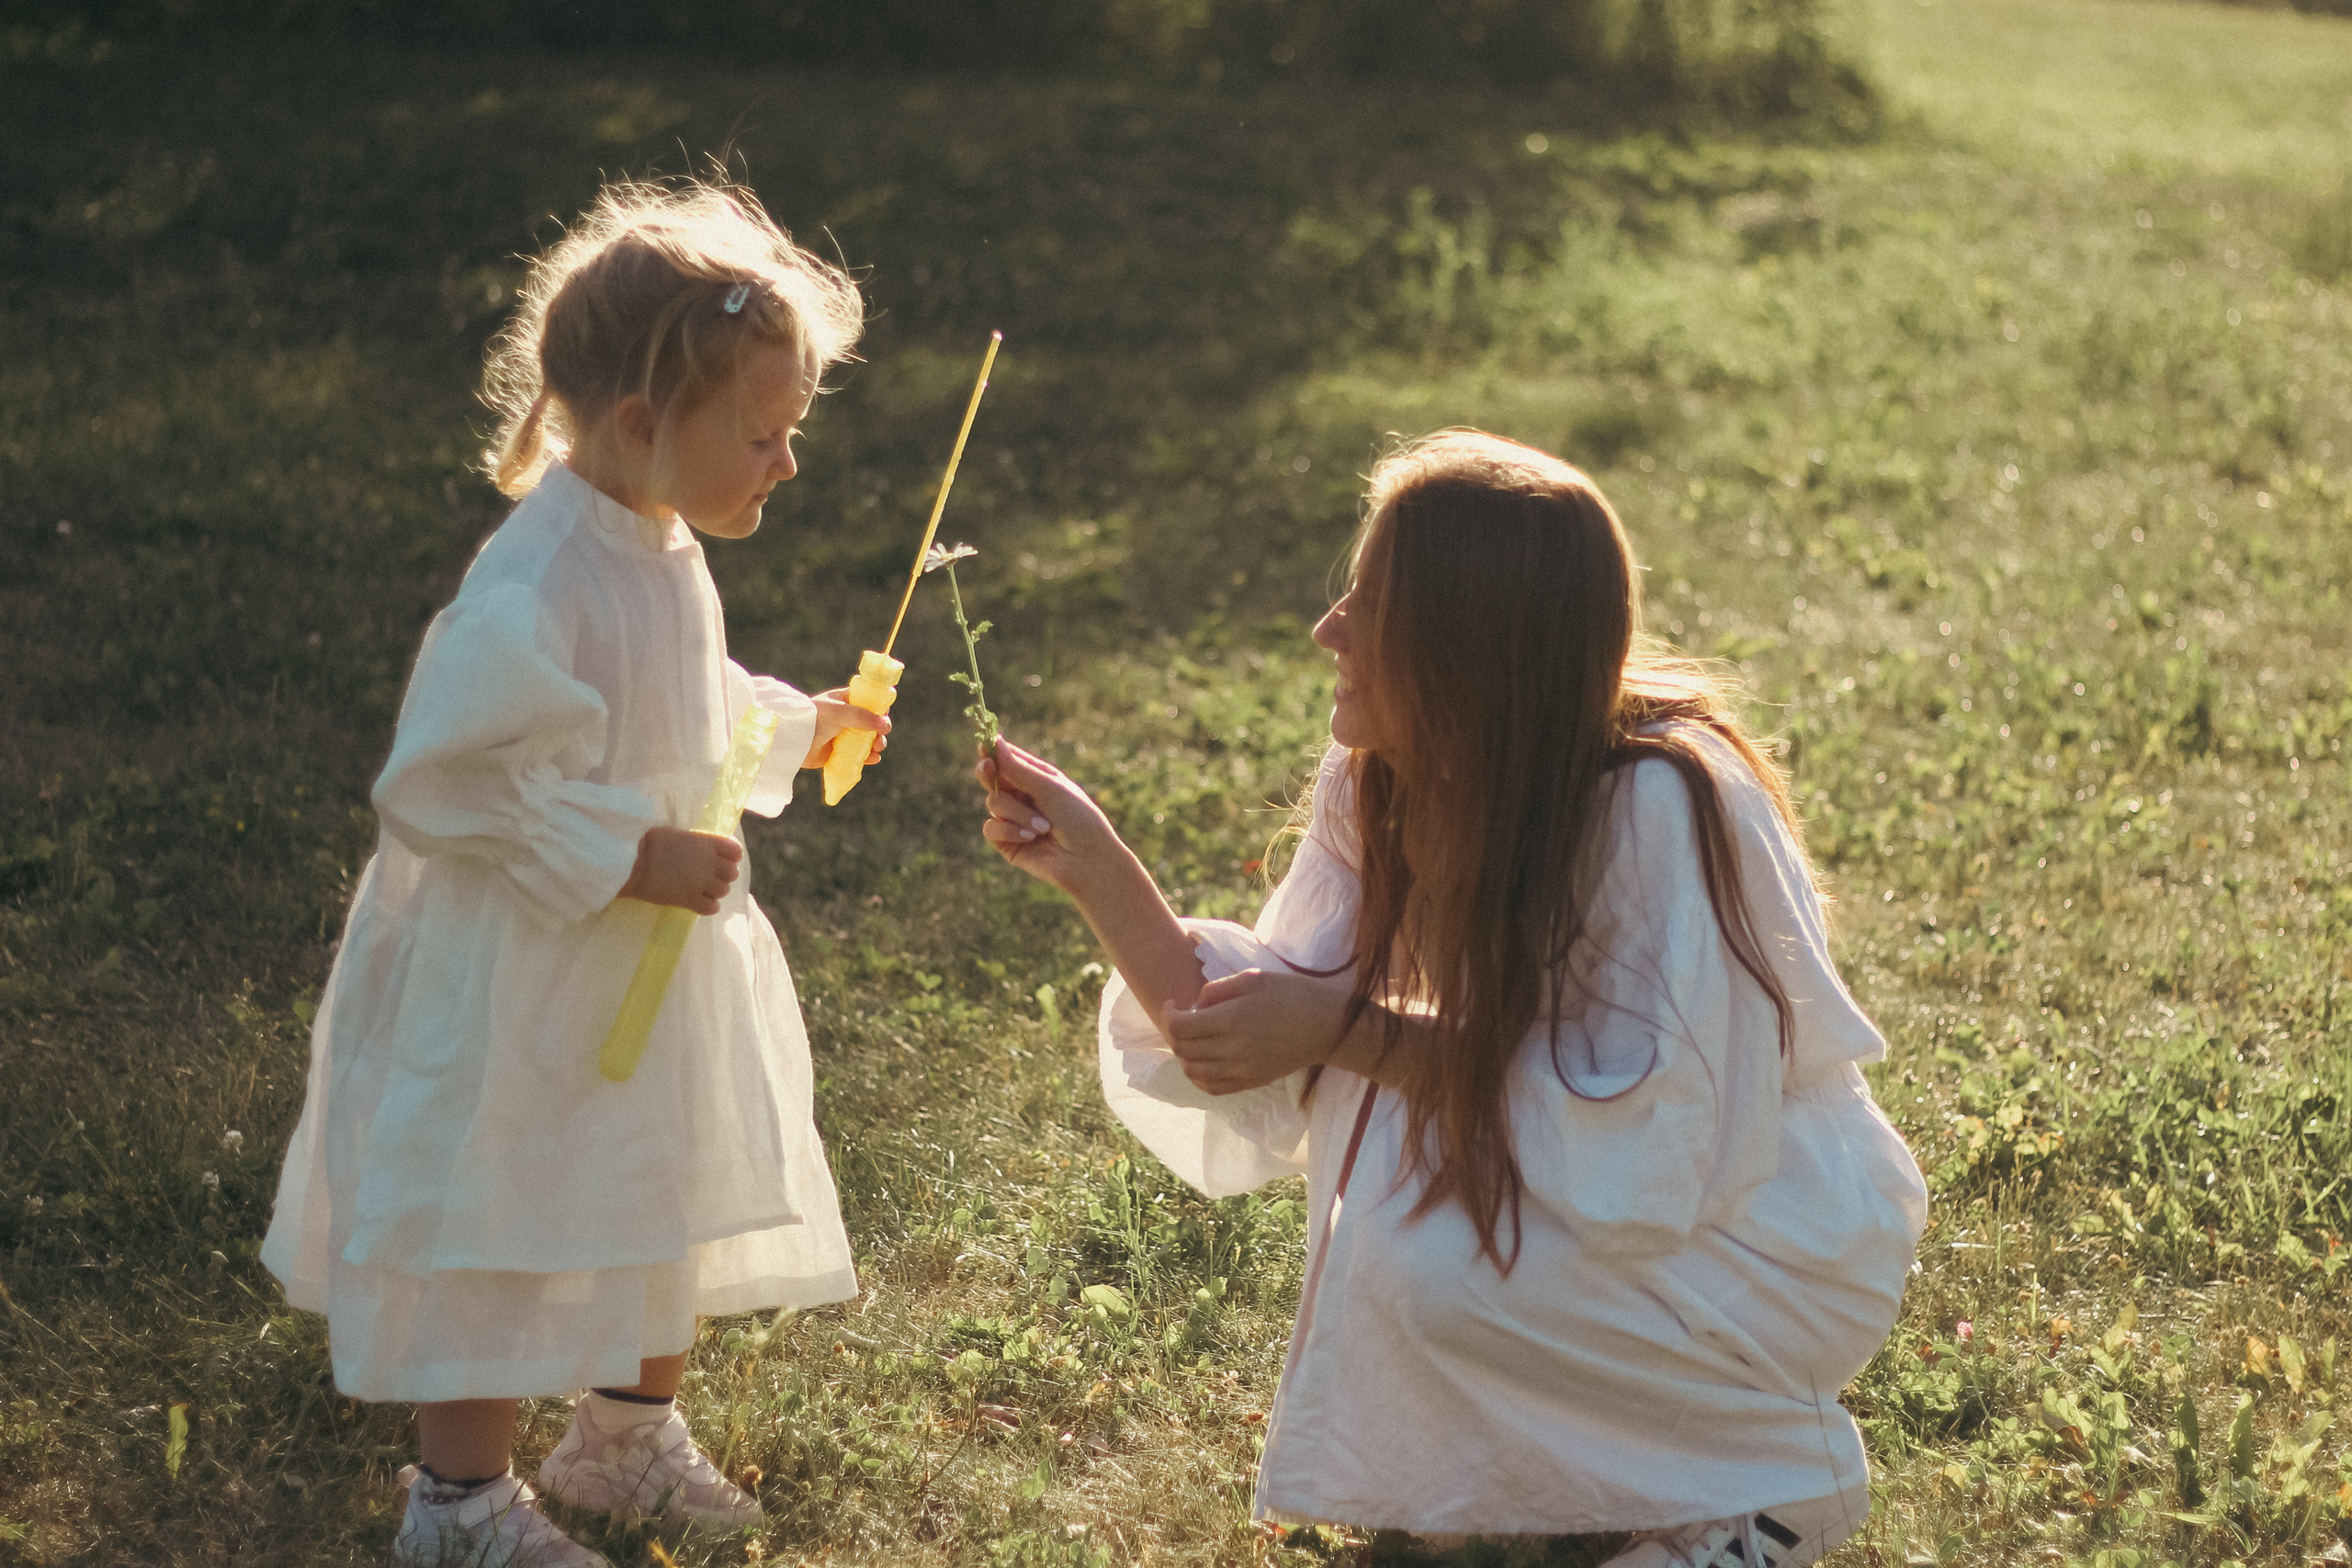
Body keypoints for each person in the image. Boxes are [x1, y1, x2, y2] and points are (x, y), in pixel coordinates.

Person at [975, 431, 1927, 1566]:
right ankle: (1553, 1503)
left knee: (1418, 1233)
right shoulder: (1383, 776)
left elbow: (1656, 1142)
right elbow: (1260, 1024)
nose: (1327, 628)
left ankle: (1769, 1488)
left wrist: (1347, 1030)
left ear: (1468, 642)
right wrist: (1094, 867)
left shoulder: (1661, 803)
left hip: (1758, 1238)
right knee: (1399, 1197)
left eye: (1372, 604)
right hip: (1602, 1198)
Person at [261, 178, 883, 1568]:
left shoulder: (657, 539)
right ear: (645, 424)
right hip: (527, 970)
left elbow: (681, 705)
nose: (787, 463)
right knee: (495, 1208)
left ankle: (624, 1435)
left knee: (657, 1184)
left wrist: (801, 722)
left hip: (644, 964)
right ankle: (460, 1499)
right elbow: (450, 777)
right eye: (765, 436)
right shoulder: (534, 578)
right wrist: (625, 853)